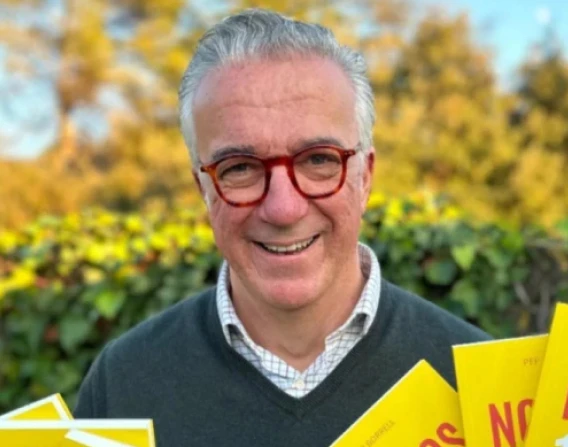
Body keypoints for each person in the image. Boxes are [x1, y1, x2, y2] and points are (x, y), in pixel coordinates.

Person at [73, 8, 491, 446]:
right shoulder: (122, 386)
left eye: (318, 160)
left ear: (365, 177)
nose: (284, 208)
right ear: (203, 189)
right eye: (240, 167)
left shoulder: (480, 388)